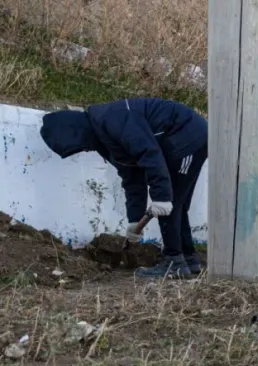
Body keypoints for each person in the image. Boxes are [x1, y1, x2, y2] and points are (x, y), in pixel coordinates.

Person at [39, 98, 208, 278]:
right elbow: (132, 177)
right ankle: (189, 259)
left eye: (81, 146)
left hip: (186, 135)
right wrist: (135, 220)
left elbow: (149, 152)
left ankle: (174, 262)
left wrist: (161, 195)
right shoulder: (104, 139)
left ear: (76, 131)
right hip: (179, 139)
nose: (85, 150)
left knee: (171, 202)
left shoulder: (112, 119)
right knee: (177, 204)